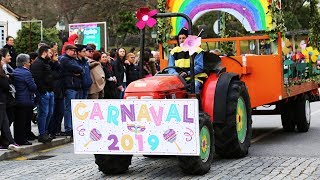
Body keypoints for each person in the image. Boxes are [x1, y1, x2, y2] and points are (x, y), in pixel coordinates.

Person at [168, 28, 207, 93]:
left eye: (183, 38)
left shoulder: (197, 50)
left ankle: (195, 101)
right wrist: (177, 75)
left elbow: (200, 67)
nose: (181, 40)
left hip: (194, 78)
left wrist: (187, 73)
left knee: (194, 85)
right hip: (178, 78)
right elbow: (171, 68)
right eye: (180, 38)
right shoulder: (174, 51)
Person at [30, 45, 55, 143]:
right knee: (44, 113)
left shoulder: (46, 62)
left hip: (49, 91)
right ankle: (42, 133)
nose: (51, 54)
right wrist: (43, 91)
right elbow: (37, 78)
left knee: (49, 112)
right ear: (44, 52)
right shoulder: (38, 63)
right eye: (49, 52)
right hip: (44, 92)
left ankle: (45, 132)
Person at [13, 54, 37, 145]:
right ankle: (22, 140)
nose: (30, 63)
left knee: (19, 121)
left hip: (18, 100)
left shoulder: (15, 71)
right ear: (24, 63)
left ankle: (21, 138)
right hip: (26, 100)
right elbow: (33, 87)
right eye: (28, 62)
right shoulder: (26, 73)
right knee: (23, 121)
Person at [60, 45, 83, 136]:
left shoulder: (74, 59)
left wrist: (78, 71)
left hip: (76, 86)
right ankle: (68, 128)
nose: (74, 52)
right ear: (67, 50)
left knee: (74, 109)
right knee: (68, 109)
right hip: (70, 87)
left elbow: (81, 70)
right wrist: (75, 72)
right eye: (73, 50)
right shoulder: (65, 59)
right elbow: (77, 68)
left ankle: (73, 127)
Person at [0, 59, 22, 151]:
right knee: (2, 122)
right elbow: (5, 85)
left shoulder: (2, 71)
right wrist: (7, 78)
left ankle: (11, 141)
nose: (2, 61)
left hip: (3, 101)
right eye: (1, 59)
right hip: (1, 100)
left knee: (5, 123)